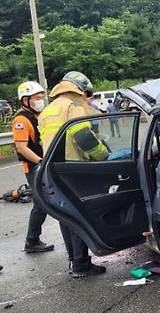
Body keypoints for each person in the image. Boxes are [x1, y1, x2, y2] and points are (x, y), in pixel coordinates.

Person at [39, 71, 109, 278]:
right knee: (78, 214)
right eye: (85, 92)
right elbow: (83, 137)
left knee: (65, 217)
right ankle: (81, 264)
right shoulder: (73, 107)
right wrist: (103, 155)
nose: (85, 96)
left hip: (51, 170)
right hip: (72, 169)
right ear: (79, 88)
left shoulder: (48, 110)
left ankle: (75, 261)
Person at [11, 81, 55, 253]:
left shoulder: (37, 116)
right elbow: (22, 147)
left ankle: (32, 240)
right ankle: (31, 241)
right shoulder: (21, 120)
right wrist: (40, 162)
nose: (41, 100)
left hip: (41, 165)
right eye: (37, 98)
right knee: (40, 204)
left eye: (41, 97)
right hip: (34, 167)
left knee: (42, 204)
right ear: (25, 100)